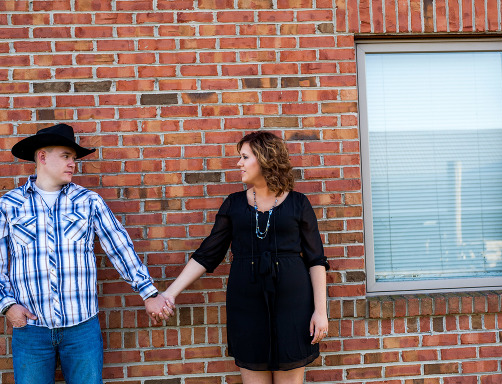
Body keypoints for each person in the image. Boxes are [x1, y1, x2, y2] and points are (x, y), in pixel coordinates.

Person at [0, 123, 173, 384]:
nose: (73, 163)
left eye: (74, 158)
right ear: (42, 157)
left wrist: (148, 293)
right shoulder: (9, 205)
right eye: (66, 156)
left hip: (82, 328)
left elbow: (119, 247)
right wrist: (7, 305)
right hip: (31, 330)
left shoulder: (88, 201)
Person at [162, 131, 330, 384]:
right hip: (246, 305)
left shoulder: (298, 203)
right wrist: (169, 294)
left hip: (293, 305)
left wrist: (321, 311)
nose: (238, 163)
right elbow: (208, 254)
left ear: (264, 159)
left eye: (244, 157)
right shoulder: (234, 204)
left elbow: (316, 260)